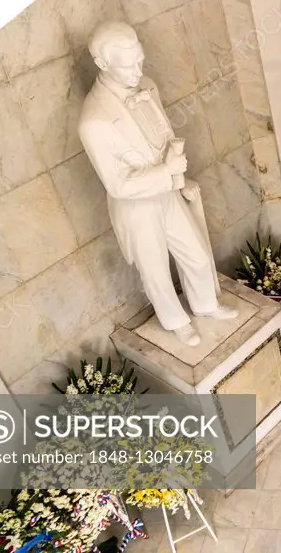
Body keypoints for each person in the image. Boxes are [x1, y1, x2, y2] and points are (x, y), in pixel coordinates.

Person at [78, 21, 237, 347]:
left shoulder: (146, 86)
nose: (138, 71)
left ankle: (205, 304)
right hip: (136, 208)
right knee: (155, 272)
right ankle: (176, 322)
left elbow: (160, 139)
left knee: (197, 255)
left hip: (167, 193)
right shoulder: (93, 121)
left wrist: (179, 179)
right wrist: (166, 172)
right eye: (129, 66)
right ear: (103, 64)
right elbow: (117, 186)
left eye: (140, 60)